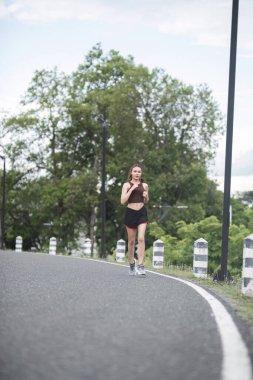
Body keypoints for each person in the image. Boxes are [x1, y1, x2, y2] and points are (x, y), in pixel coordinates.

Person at [121, 164, 149, 276]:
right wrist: (131, 189)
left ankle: (141, 265)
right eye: (135, 171)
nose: (137, 173)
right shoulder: (126, 185)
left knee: (141, 238)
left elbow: (146, 200)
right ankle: (132, 264)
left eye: (139, 172)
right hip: (130, 213)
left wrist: (146, 196)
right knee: (131, 241)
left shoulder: (145, 185)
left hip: (142, 212)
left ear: (141, 173)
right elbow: (122, 201)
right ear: (131, 173)